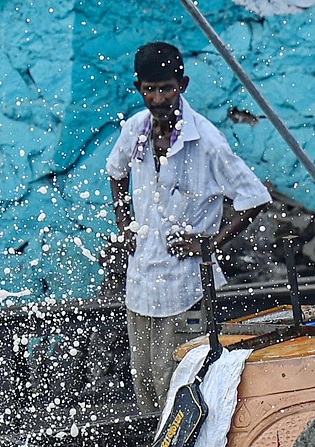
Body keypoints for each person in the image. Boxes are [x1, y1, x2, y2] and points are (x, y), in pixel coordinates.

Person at [106, 41, 270, 415]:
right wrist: (125, 223)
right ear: (139, 88)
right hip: (142, 276)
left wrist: (209, 243)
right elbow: (116, 173)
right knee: (143, 374)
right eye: (150, 89)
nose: (158, 97)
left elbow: (254, 197)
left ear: (183, 84)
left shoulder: (208, 141)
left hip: (187, 284)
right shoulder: (136, 129)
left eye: (166, 88)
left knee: (176, 376)